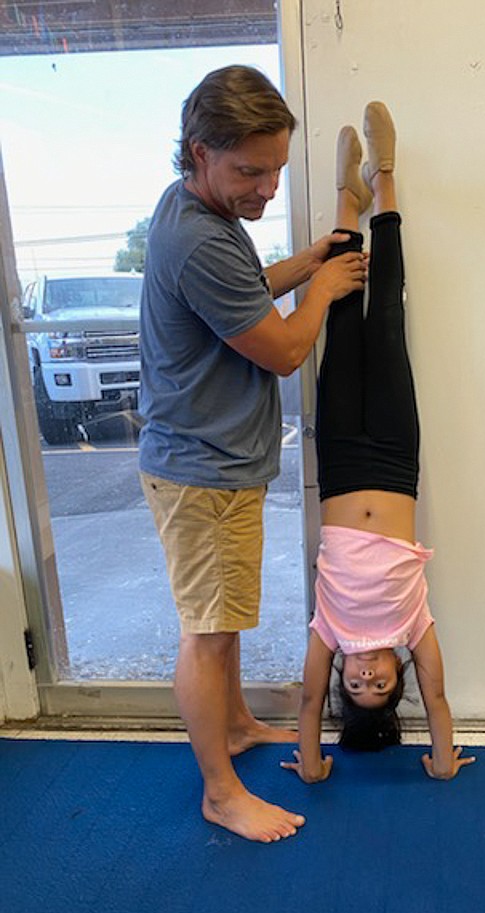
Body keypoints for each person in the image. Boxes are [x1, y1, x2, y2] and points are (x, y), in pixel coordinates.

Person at [138, 65, 367, 842]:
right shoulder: (197, 237)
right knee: (206, 631)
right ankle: (219, 793)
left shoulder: (195, 209)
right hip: (201, 470)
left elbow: (240, 292)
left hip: (213, 463)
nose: (267, 188)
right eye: (250, 171)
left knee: (224, 618)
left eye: (275, 168)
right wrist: (324, 292)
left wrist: (305, 262)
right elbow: (280, 352)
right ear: (199, 151)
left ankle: (233, 726)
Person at [281, 103, 475, 785]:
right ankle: (383, 179)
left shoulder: (328, 630)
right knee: (385, 317)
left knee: (342, 327)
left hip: (338, 467)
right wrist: (443, 761)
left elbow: (308, 704)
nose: (365, 675)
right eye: (379, 685)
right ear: (397, 678)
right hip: (393, 461)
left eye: (355, 685)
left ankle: (345, 201)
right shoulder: (413, 623)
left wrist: (312, 767)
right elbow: (442, 698)